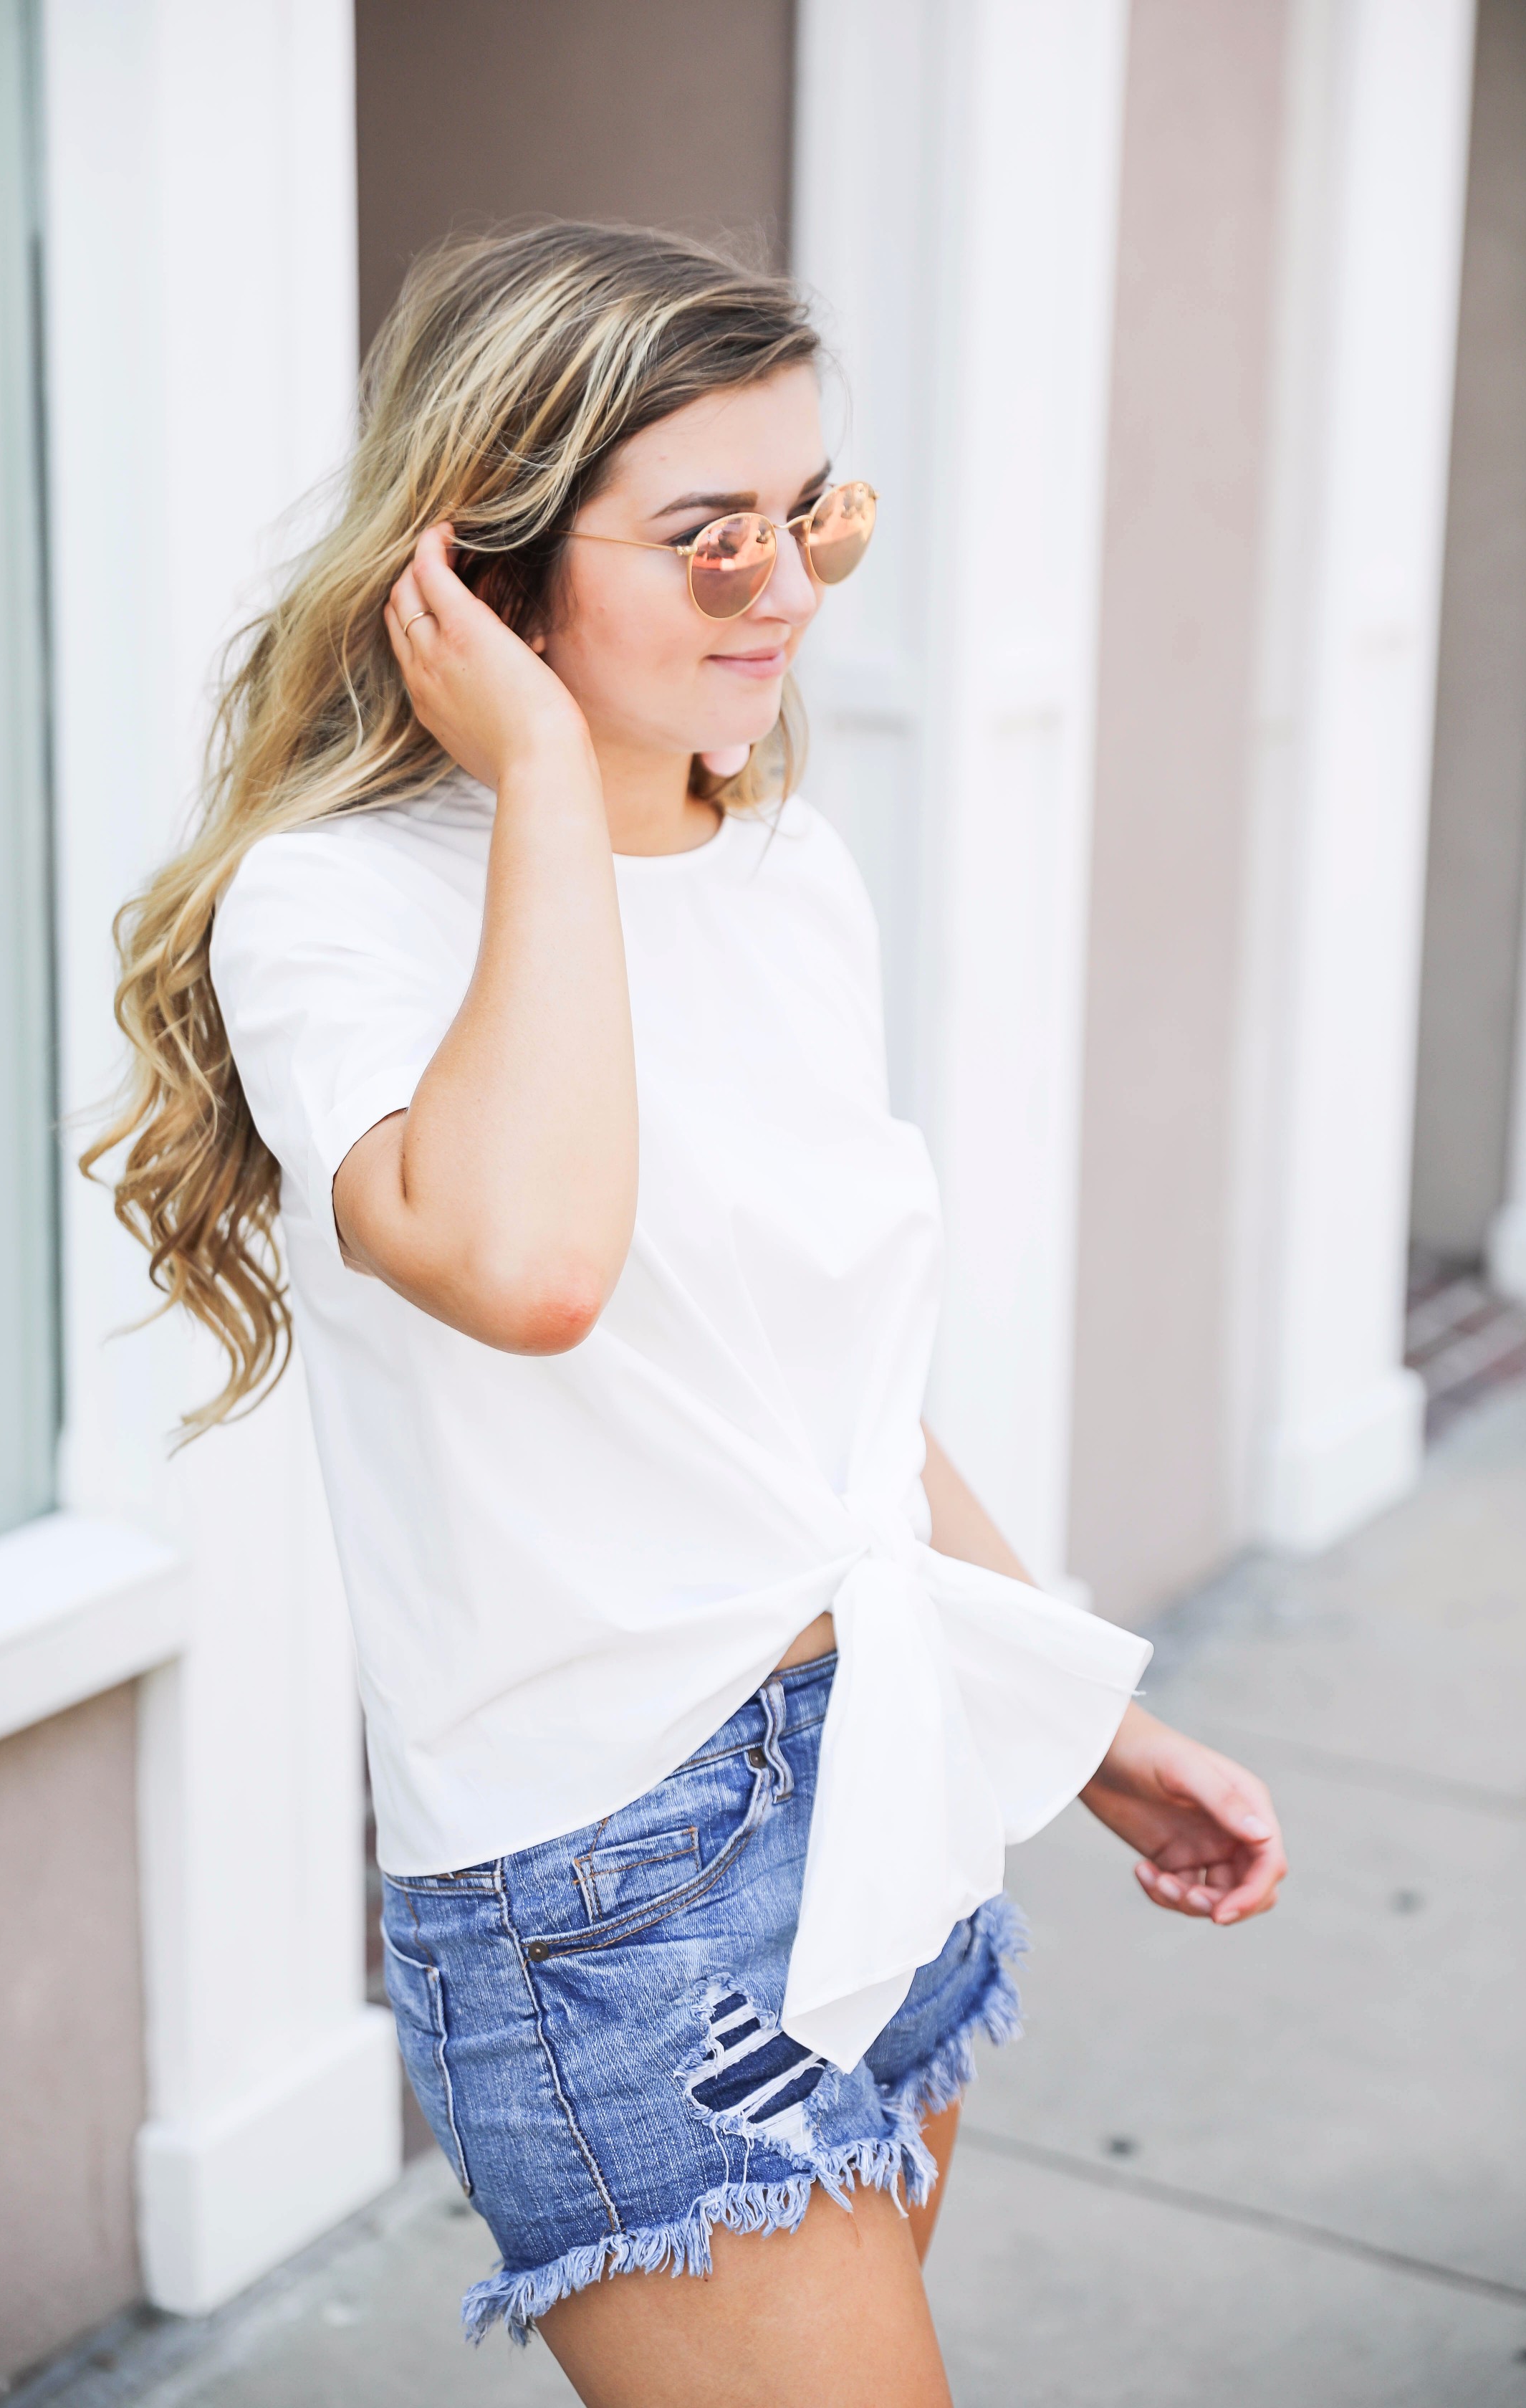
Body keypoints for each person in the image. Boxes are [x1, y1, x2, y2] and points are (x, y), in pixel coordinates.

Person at [88, 223, 1286, 2407]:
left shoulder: (782, 864)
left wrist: (1085, 1719)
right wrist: (542, 778)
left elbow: (828, 1418)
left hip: (887, 1780)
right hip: (615, 1893)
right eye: (703, 532)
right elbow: (529, 1271)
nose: (788, 587)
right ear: (488, 568)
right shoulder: (336, 910)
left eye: (809, 510)